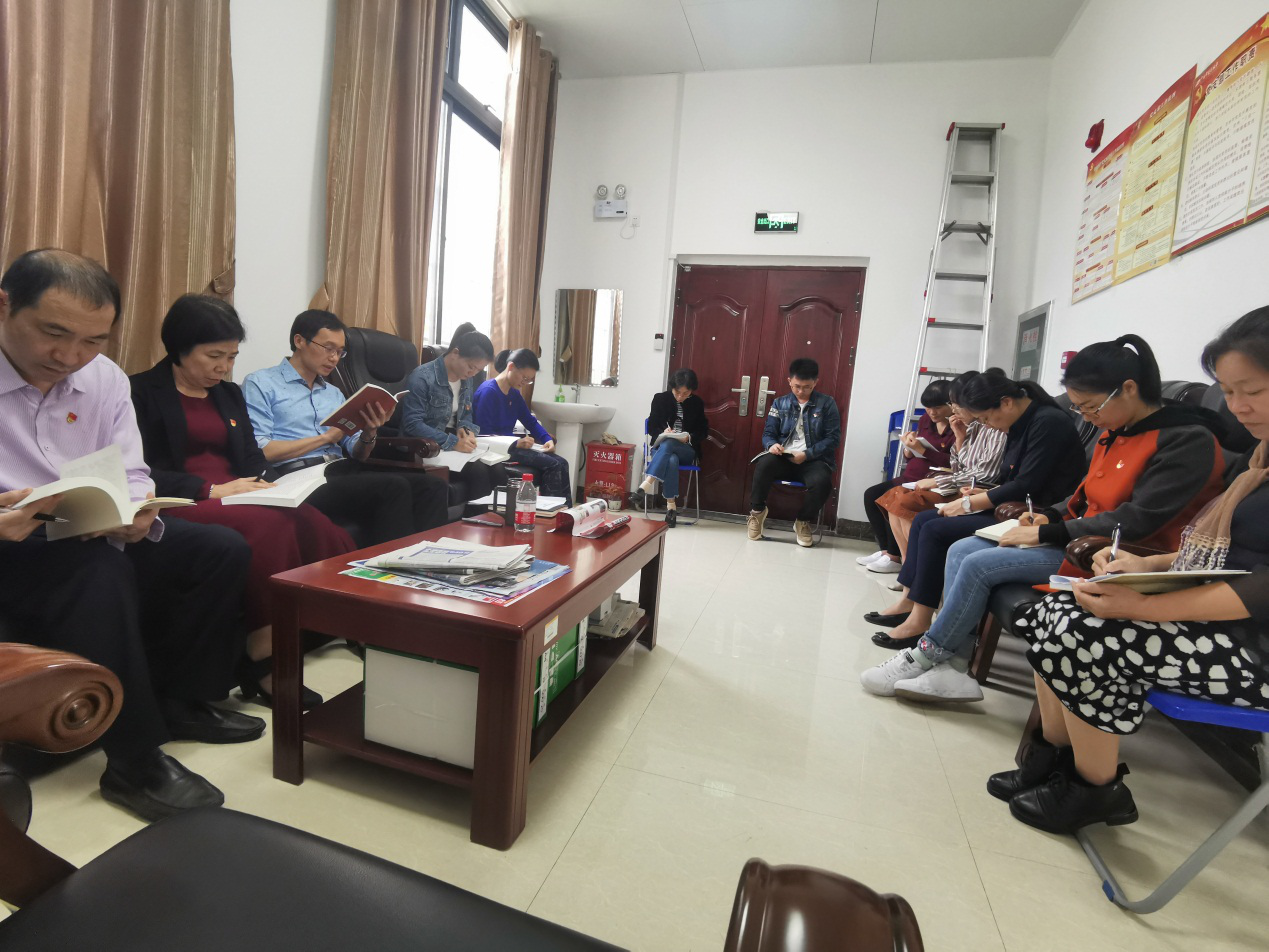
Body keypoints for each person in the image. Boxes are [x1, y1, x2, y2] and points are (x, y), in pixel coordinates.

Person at [0, 249, 263, 823]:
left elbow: (132, 469)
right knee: (96, 570)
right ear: (4, 307)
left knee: (216, 550)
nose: (70, 357)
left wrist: (138, 506)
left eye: (93, 341)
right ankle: (135, 759)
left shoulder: (104, 379)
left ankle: (182, 700)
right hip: (11, 545)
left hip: (85, 524)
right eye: (53, 333)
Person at [988, 308, 1269, 834]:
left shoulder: (1188, 442)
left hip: (1255, 649)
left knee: (1083, 630)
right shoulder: (1260, 464)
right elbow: (1228, 554)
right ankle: (1053, 762)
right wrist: (1149, 564)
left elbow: (1262, 587)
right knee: (1055, 608)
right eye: (1229, 392)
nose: (1238, 407)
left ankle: (1095, 789)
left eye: (1251, 390)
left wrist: (1143, 605)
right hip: (1222, 619)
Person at [862, 334, 1227, 701]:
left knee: (977, 564)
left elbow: (1138, 520)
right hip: (1080, 538)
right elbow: (1082, 496)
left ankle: (928, 655)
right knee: (962, 548)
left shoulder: (1184, 440)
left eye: (1090, 407)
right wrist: (1046, 516)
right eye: (1081, 409)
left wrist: (1047, 532)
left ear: (1129, 389)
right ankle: (954, 667)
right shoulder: (1117, 433)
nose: (1087, 418)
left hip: (1121, 555)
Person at [131, 295, 356, 711]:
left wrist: (265, 484)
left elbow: (251, 456)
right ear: (179, 348)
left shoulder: (228, 394)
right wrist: (209, 489)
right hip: (181, 497)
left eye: (232, 357)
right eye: (214, 356)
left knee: (311, 519)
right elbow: (137, 469)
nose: (224, 367)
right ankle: (265, 659)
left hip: (237, 491)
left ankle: (338, 622)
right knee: (271, 527)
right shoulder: (140, 391)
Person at [867, 370, 1086, 649]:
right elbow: (1012, 477)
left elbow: (1027, 484)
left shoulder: (1047, 422)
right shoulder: (1020, 421)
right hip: (1013, 506)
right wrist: (983, 494)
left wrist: (969, 503)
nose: (988, 426)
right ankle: (910, 603)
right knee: (924, 522)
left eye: (986, 419)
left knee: (935, 529)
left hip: (1033, 514)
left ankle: (919, 621)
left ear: (1006, 403)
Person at [242, 309, 450, 546]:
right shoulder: (261, 383)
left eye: (340, 352)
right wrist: (325, 438)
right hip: (295, 477)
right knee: (393, 487)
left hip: (340, 469)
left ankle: (432, 560)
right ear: (299, 341)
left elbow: (358, 453)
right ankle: (393, 565)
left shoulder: (333, 393)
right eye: (328, 348)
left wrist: (370, 432)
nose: (334, 358)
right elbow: (262, 450)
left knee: (432, 486)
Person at [858, 379, 957, 573]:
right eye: (928, 407)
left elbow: (954, 463)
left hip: (931, 481)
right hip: (911, 475)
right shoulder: (926, 420)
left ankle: (894, 555)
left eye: (937, 408)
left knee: (894, 500)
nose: (932, 412)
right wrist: (909, 449)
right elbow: (914, 451)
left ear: (951, 405)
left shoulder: (958, 426)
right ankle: (886, 551)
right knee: (871, 495)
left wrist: (923, 450)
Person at [400, 322, 503, 505]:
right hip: (426, 447)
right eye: (471, 367)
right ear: (455, 353)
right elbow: (412, 424)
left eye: (478, 370)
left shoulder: (465, 379)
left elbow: (466, 413)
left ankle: (502, 519)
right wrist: (453, 442)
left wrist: (466, 430)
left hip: (453, 443)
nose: (473, 373)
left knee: (497, 468)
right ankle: (476, 520)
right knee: (478, 471)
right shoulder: (422, 377)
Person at [748, 358, 841, 548]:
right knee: (763, 466)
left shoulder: (827, 404)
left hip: (813, 460)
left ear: (815, 382)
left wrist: (807, 454)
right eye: (797, 386)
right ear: (789, 381)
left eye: (807, 387)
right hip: (784, 457)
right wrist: (772, 445)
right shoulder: (779, 403)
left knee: (822, 482)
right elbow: (768, 433)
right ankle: (757, 513)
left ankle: (803, 521)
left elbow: (833, 439)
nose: (801, 391)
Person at [472, 348, 572, 501]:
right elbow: (484, 435)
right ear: (511, 367)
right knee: (553, 465)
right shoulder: (488, 392)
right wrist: (516, 442)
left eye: (529, 380)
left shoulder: (514, 394)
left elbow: (529, 420)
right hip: (497, 451)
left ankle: (565, 512)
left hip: (511, 447)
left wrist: (546, 438)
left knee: (562, 463)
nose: (525, 383)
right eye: (524, 378)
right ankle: (549, 511)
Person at [633, 368, 707, 528]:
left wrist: (689, 437)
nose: (680, 397)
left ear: (692, 390)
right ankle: (671, 508)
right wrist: (663, 432)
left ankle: (646, 484)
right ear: (672, 387)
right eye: (677, 392)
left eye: (685, 393)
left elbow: (703, 431)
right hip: (662, 448)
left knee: (670, 445)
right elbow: (652, 426)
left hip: (686, 450)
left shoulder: (697, 403)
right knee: (671, 457)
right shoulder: (660, 399)